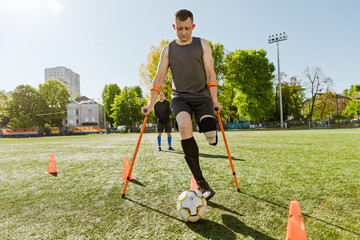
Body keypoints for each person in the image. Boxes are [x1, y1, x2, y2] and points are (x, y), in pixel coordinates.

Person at [141, 9, 221, 201]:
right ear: (174, 27)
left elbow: (210, 73)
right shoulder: (168, 49)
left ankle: (209, 131)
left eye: (187, 28)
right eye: (179, 29)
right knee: (185, 127)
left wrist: (215, 99)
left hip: (202, 96)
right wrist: (150, 104)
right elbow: (159, 78)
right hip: (180, 98)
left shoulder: (202, 44)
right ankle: (202, 183)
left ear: (193, 27)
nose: (183, 32)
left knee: (210, 135)